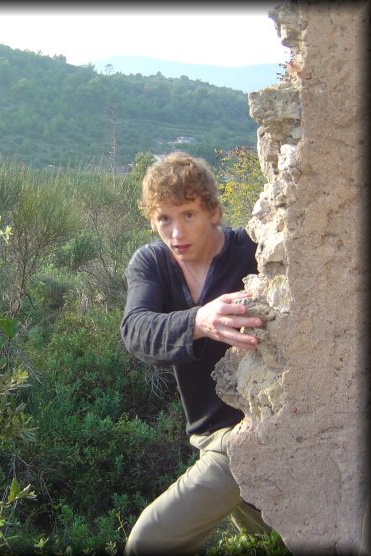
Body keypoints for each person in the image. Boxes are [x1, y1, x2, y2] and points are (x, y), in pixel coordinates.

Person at [121, 151, 271, 555]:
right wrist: (198, 321)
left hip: (252, 433)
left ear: (214, 212)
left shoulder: (254, 251)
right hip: (207, 435)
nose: (175, 232)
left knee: (148, 543)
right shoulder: (151, 263)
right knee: (271, 539)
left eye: (188, 214)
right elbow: (135, 330)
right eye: (163, 219)